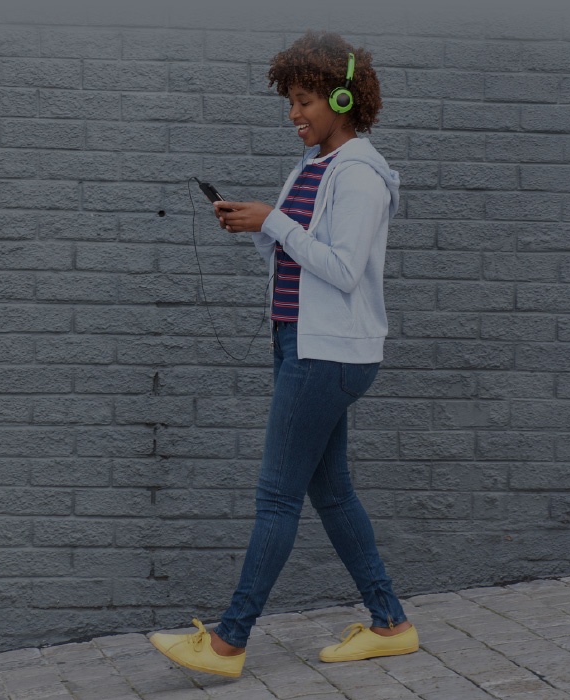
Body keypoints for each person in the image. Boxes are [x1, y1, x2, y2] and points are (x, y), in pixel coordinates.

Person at [149, 30, 417, 678]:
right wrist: (252, 223)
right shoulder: (313, 166)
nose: (292, 114)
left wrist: (272, 221)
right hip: (300, 340)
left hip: (328, 352)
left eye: (304, 101)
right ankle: (391, 623)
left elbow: (343, 269)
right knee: (332, 493)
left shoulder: (357, 174)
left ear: (343, 97)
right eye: (290, 102)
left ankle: (227, 644)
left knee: (276, 498)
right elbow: (297, 254)